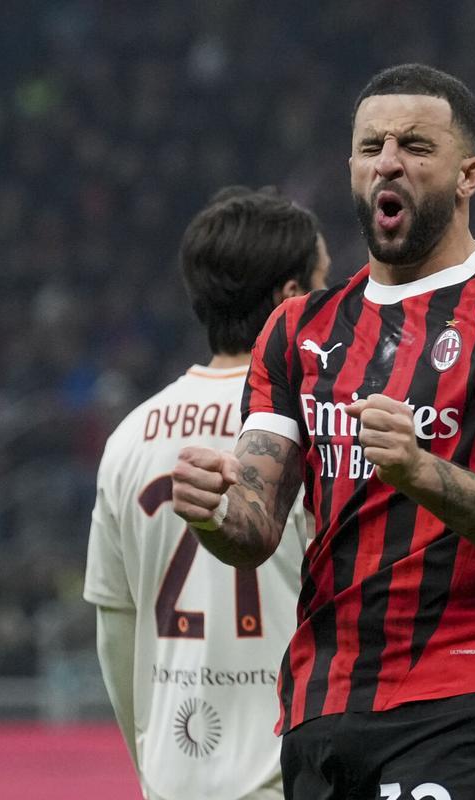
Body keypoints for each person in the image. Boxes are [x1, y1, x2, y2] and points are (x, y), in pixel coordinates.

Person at [171, 64, 475, 800]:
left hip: (462, 693)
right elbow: (255, 527)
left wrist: (421, 472)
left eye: (414, 145)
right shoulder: (298, 329)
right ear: (352, 168)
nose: (388, 161)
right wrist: (213, 510)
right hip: (321, 704)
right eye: (371, 146)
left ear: (468, 175)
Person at [85, 186, 331, 800]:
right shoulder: (317, 427)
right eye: (325, 283)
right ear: (292, 297)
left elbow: (117, 631)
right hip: (293, 775)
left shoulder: (130, 437)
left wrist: (149, 763)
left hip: (176, 779)